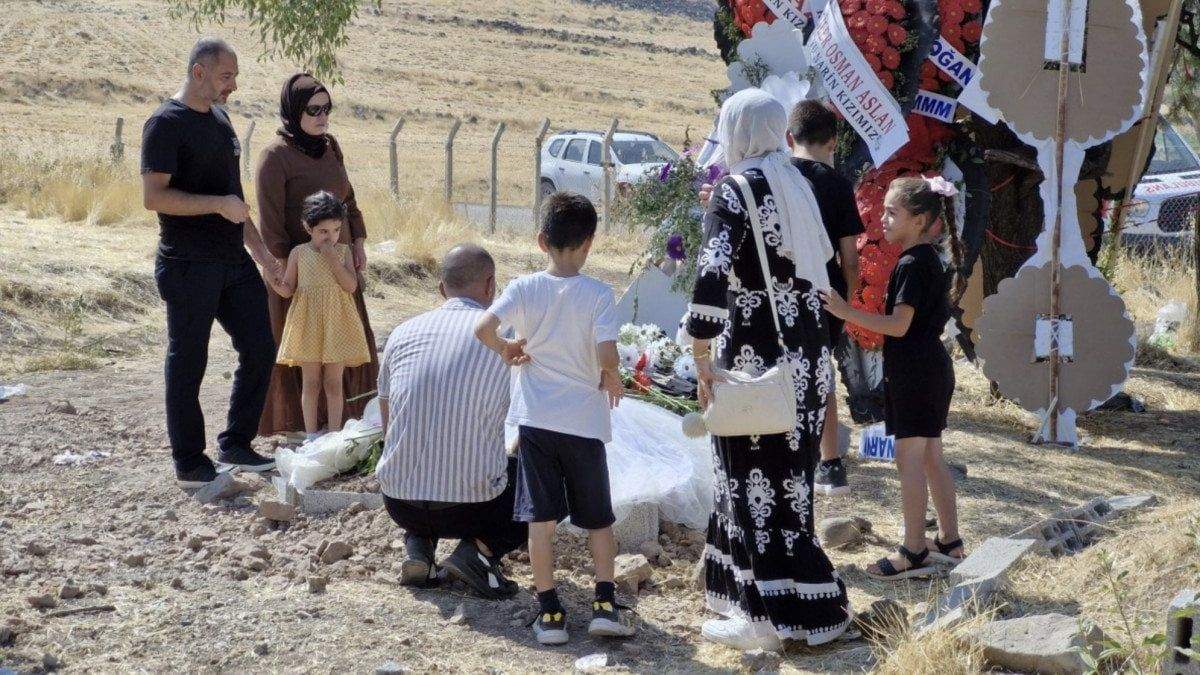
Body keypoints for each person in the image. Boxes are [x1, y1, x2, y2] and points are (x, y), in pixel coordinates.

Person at [687, 89, 851, 651]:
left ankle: (761, 620)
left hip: (755, 358)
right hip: (807, 358)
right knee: (791, 487)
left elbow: (712, 275)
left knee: (749, 482)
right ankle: (806, 610)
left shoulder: (734, 190)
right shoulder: (799, 183)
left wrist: (700, 354)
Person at [474, 192, 635, 646]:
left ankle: (549, 613)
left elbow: (482, 328)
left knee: (539, 521)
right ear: (590, 243)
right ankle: (605, 605)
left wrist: (506, 348)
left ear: (541, 240)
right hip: (584, 423)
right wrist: (612, 377)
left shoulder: (524, 287)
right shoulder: (598, 294)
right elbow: (607, 352)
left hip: (537, 421)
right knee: (598, 519)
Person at [141, 37, 283, 487]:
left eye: (235, 76)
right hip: (187, 264)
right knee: (189, 360)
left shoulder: (221, 120)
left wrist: (263, 257)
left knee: (260, 347)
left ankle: (236, 443)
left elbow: (234, 200)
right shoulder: (165, 124)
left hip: (233, 261)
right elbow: (154, 197)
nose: (233, 86)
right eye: (226, 76)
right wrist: (217, 206)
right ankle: (189, 463)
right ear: (198, 72)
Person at [821, 176, 967, 580]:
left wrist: (845, 311)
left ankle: (913, 549)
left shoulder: (911, 264)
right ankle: (949, 540)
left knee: (910, 460)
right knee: (932, 456)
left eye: (892, 212)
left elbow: (899, 326)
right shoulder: (925, 259)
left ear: (919, 220)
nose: (882, 219)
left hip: (916, 373)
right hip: (930, 369)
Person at [375, 244, 527, 599]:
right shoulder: (504, 340)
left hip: (399, 502)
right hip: (472, 510)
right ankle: (478, 551)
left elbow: (389, 424)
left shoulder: (403, 332)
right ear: (490, 286)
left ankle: (419, 545)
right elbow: (530, 423)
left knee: (421, 454)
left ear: (441, 288)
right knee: (552, 473)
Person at [255, 73, 378, 437]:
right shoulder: (274, 156)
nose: (323, 116)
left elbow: (348, 200)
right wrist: (281, 272)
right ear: (294, 111)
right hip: (301, 272)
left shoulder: (330, 147)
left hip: (339, 267)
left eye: (327, 108)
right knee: (304, 359)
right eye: (314, 110)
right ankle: (302, 429)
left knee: (342, 350)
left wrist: (357, 242)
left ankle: (344, 426)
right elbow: (271, 225)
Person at [787, 101, 864, 496]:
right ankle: (830, 462)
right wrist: (846, 305)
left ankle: (788, 455)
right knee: (822, 373)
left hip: (781, 286)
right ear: (833, 142)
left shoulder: (776, 177)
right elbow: (850, 257)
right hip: (825, 289)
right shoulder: (837, 184)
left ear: (789, 137)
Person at [273, 192, 372, 438]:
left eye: (336, 230)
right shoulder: (298, 253)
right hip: (307, 324)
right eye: (323, 232)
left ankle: (334, 435)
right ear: (308, 228)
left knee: (333, 382)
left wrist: (332, 259)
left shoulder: (344, 252)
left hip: (336, 323)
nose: (331, 237)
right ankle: (311, 435)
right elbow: (287, 289)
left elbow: (350, 286)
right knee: (311, 382)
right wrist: (273, 279)